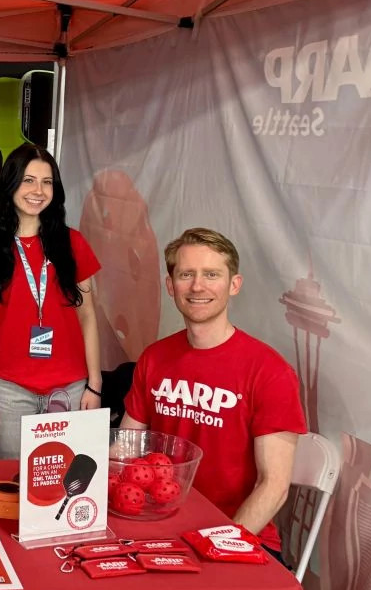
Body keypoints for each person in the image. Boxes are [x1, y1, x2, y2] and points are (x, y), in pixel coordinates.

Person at [121, 228, 304, 556]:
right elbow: (124, 453)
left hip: (240, 534)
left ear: (234, 285)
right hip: (160, 525)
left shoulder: (270, 372)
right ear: (170, 285)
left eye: (211, 274)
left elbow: (274, 487)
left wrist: (218, 543)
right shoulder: (154, 357)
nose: (197, 286)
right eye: (186, 274)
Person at [0, 143, 102, 460]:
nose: (38, 190)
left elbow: (88, 316)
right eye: (28, 180)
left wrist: (95, 383)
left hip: (71, 387)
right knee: (10, 480)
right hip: (9, 390)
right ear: (10, 184)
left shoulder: (72, 243)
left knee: (65, 478)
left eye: (47, 182)